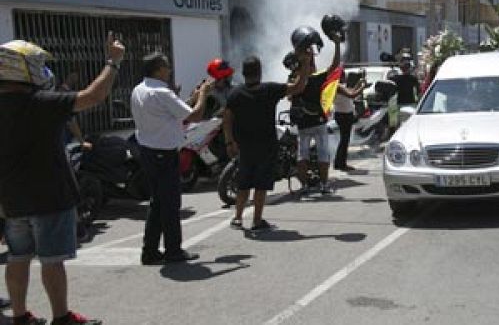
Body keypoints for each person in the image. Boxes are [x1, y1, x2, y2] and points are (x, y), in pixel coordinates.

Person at [0, 34, 123, 325]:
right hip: (49, 196)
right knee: (52, 261)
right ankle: (61, 317)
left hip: (12, 198)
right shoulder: (41, 102)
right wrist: (113, 62)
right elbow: (93, 96)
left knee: (18, 257)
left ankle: (19, 316)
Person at [131, 53, 214, 265]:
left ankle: (149, 251)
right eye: (166, 67)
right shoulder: (161, 92)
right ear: (158, 69)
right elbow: (195, 116)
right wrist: (203, 94)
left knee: (158, 203)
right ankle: (173, 250)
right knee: (169, 204)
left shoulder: (140, 89)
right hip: (163, 154)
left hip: (148, 151)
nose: (169, 70)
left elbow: (172, 113)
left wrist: (191, 98)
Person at [224, 55, 310, 230]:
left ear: (243, 72)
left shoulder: (235, 93)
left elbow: (227, 119)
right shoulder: (270, 89)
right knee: (261, 185)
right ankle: (257, 220)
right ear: (260, 72)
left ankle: (238, 218)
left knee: (243, 183)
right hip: (266, 146)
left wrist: (229, 142)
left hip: (245, 147)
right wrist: (305, 65)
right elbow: (299, 86)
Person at [290, 27, 342, 195]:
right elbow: (334, 65)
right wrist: (337, 44)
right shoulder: (315, 78)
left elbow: (289, 96)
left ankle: (305, 186)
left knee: (302, 155)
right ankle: (324, 185)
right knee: (322, 155)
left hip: (303, 123)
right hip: (318, 121)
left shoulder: (293, 80)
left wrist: (300, 54)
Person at [333, 75, 367, 171]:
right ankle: (342, 164)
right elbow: (352, 95)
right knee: (344, 140)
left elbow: (351, 92)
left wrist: (358, 84)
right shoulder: (337, 87)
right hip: (344, 116)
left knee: (344, 140)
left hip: (344, 115)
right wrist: (362, 87)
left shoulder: (340, 86)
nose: (345, 77)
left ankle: (338, 163)